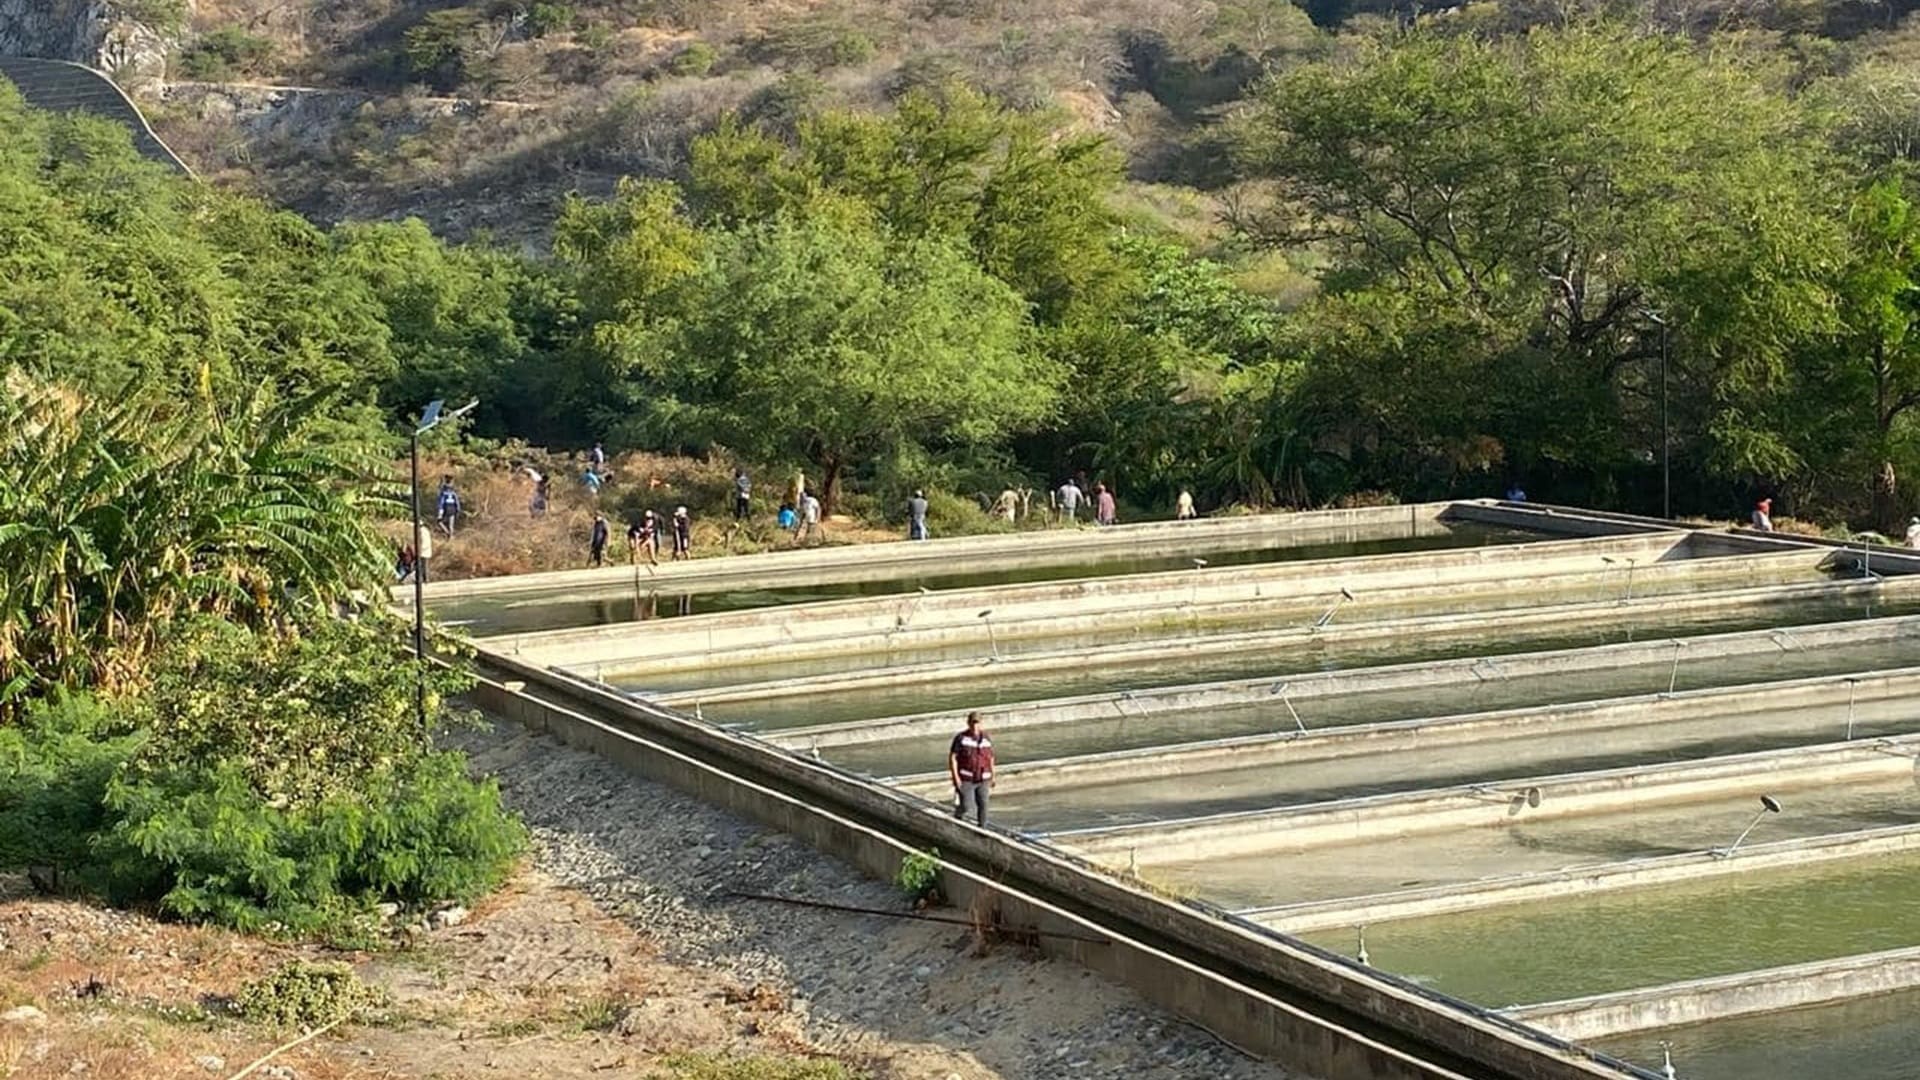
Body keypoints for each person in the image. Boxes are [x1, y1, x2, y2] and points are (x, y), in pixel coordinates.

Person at [948, 711, 995, 826]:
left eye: (977, 723)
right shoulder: (961, 738)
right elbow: (953, 757)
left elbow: (991, 758)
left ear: (981, 723)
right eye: (972, 723)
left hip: (983, 778)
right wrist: (956, 777)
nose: (975, 726)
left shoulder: (986, 738)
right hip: (966, 778)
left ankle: (982, 828)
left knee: (984, 804)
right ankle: (958, 816)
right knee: (966, 805)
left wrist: (993, 775)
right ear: (968, 723)